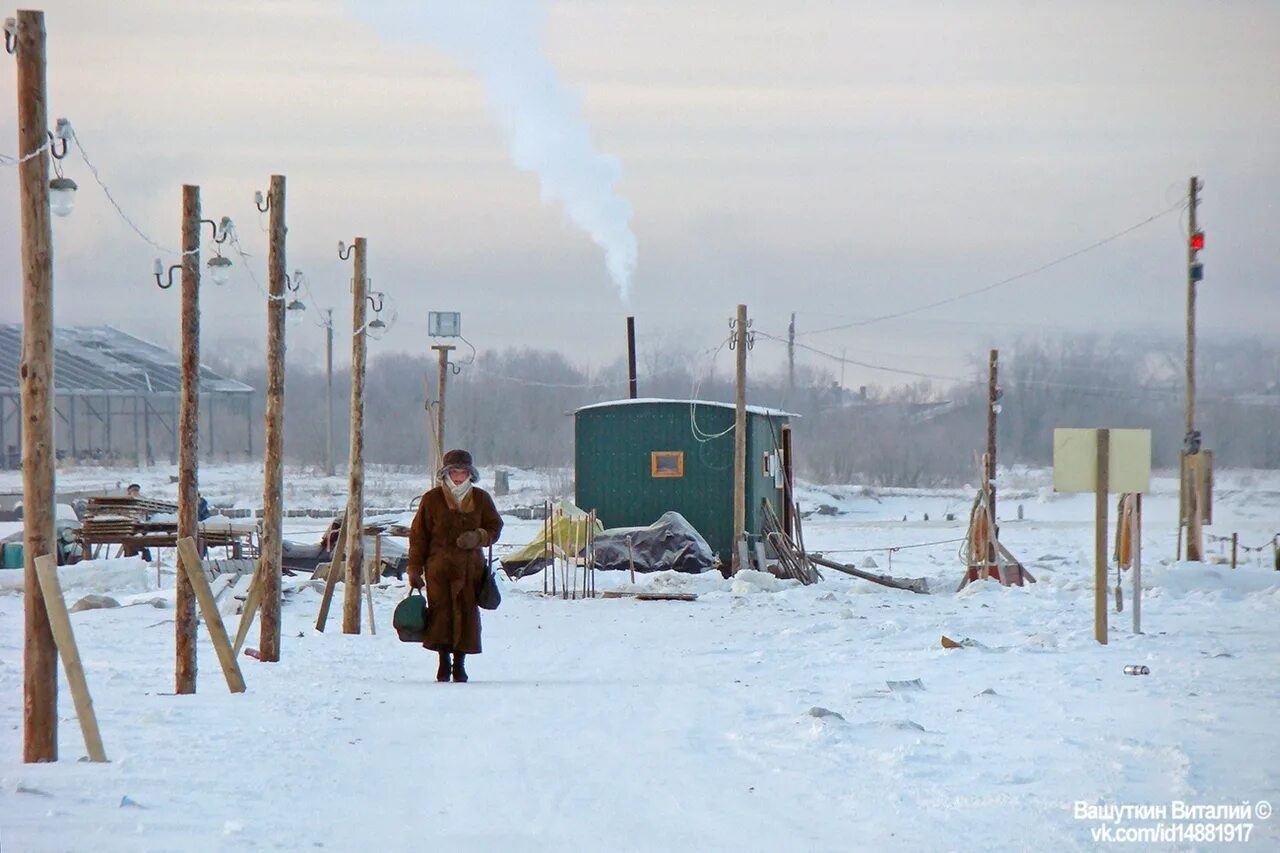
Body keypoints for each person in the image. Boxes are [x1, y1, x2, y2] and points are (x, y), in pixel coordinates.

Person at [406, 448, 503, 683]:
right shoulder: (432, 499)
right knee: (441, 615)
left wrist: (478, 537)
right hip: (439, 568)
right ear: (446, 474)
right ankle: (442, 662)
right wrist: (414, 569)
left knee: (467, 614)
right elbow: (419, 537)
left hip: (471, 569)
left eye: (463, 472)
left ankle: (460, 664)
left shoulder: (481, 499)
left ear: (470, 474)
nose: (459, 476)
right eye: (454, 472)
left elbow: (495, 527)